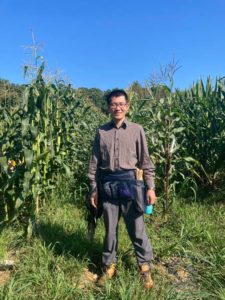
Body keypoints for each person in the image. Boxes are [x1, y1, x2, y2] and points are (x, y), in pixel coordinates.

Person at [88, 89, 156, 289]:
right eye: (113, 104)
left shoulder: (137, 130)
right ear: (108, 107)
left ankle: (144, 269)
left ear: (127, 106)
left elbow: (145, 162)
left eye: (121, 104)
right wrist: (94, 188)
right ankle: (109, 266)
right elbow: (94, 163)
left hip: (131, 186)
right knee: (110, 230)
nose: (117, 107)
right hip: (108, 186)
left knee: (137, 229)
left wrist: (150, 188)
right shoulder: (101, 132)